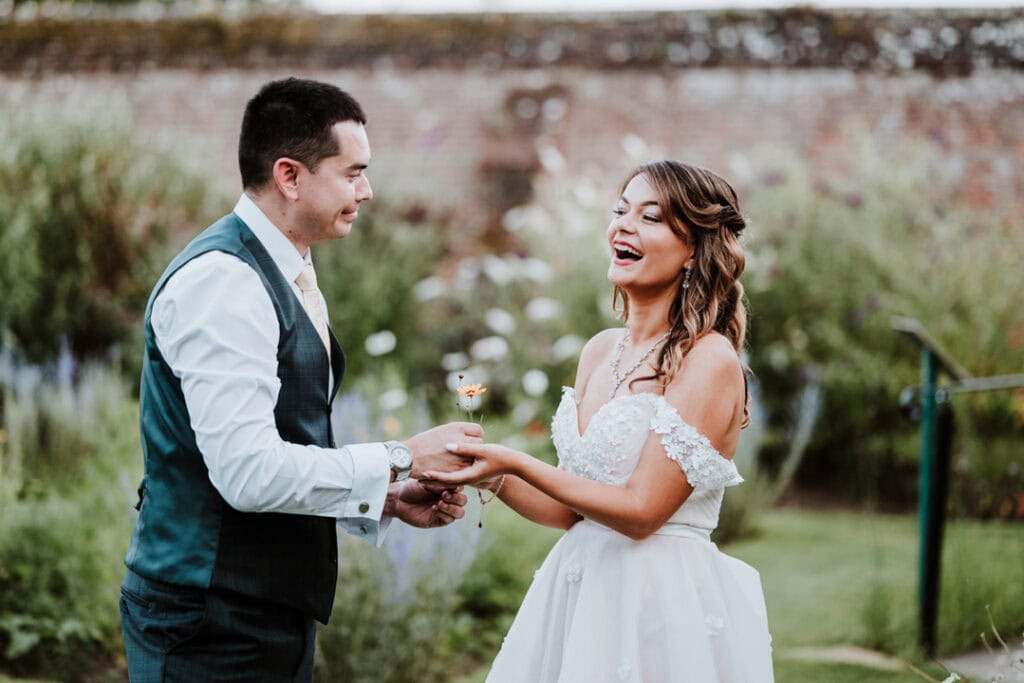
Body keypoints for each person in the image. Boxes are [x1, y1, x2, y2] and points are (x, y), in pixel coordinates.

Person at [119, 77, 481, 681]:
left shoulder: (285, 266)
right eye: (352, 172)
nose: (367, 191)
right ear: (290, 176)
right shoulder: (226, 283)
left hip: (261, 613)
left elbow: (280, 451)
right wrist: (399, 457)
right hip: (208, 625)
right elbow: (247, 474)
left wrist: (385, 499)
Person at [427, 161, 774, 681]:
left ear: (694, 251)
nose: (624, 226)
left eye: (650, 217)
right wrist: (491, 472)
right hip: (579, 594)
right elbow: (573, 511)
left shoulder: (709, 359)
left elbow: (642, 512)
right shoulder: (601, 351)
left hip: (657, 604)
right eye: (620, 211)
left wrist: (517, 460)